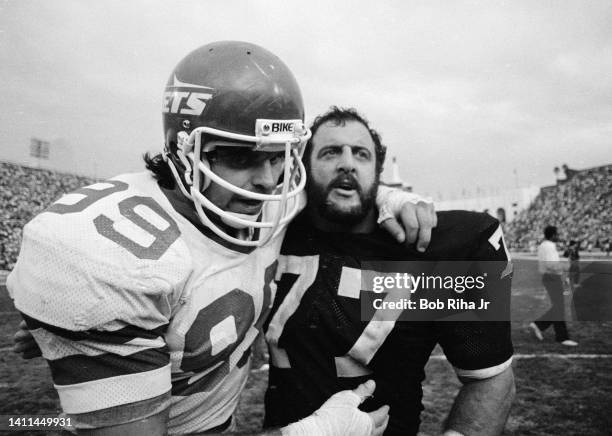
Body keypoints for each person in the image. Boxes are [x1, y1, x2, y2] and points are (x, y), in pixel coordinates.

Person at [7, 42, 436, 435]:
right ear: (184, 152)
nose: (267, 181)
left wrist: (388, 195)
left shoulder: (266, 201)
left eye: (278, 157)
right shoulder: (106, 257)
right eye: (239, 156)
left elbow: (333, 186)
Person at [263, 107, 516, 436]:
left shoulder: (433, 251)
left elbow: (493, 379)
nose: (347, 162)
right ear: (304, 168)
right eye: (330, 152)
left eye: (361, 154)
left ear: (377, 171)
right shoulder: (272, 231)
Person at [529, 226, 578, 346]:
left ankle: (539, 325)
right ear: (552, 235)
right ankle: (562, 337)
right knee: (559, 307)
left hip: (549, 277)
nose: (559, 236)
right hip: (552, 277)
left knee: (558, 306)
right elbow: (552, 265)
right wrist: (565, 268)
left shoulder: (543, 245)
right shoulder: (549, 246)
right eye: (557, 234)